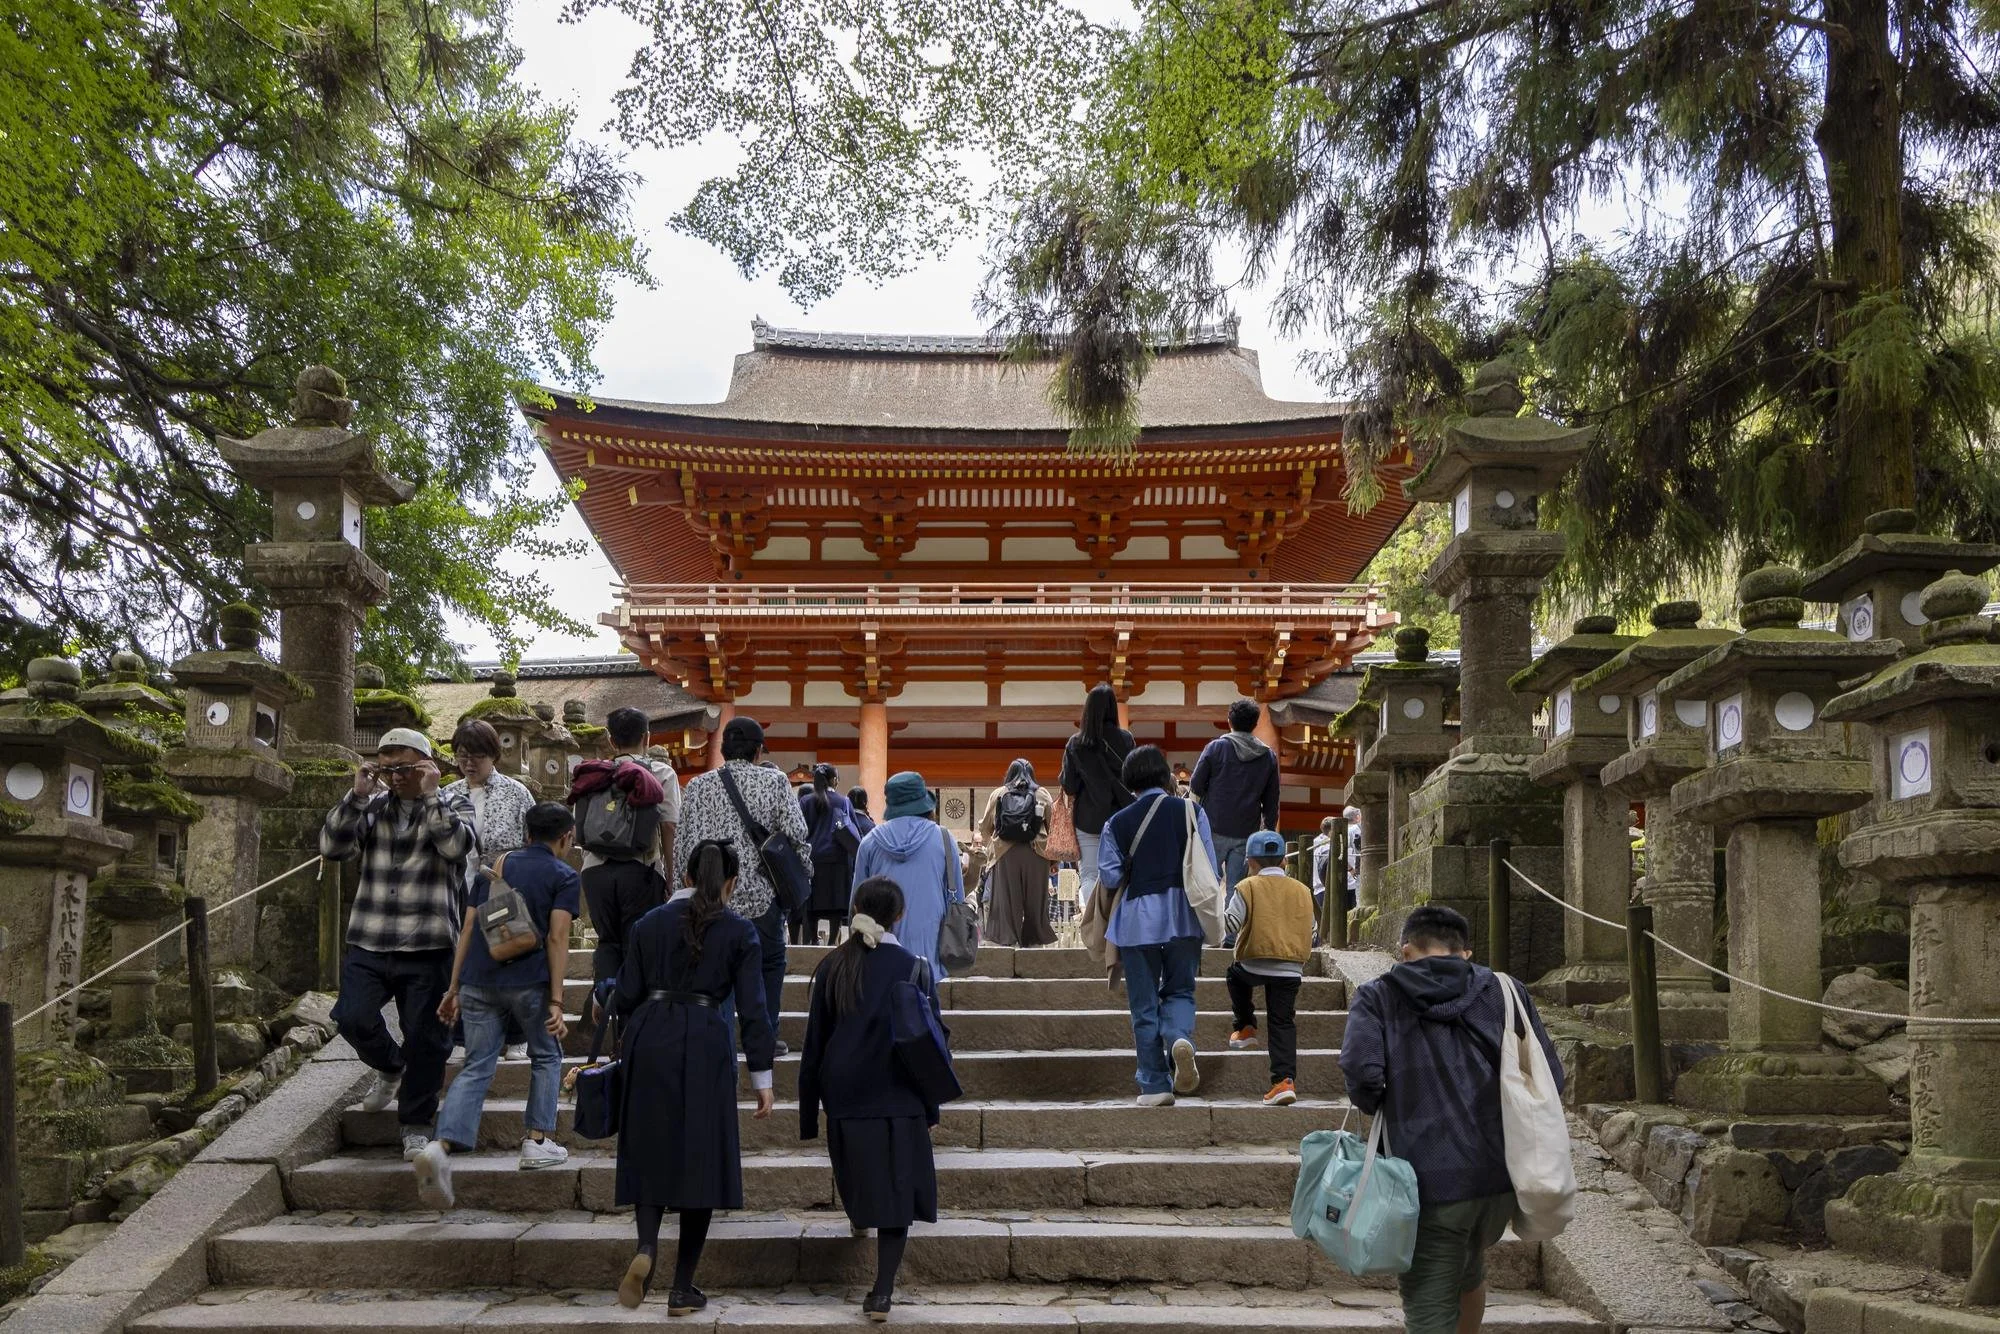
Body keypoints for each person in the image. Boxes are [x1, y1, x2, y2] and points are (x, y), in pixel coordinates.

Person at [1339, 905, 1565, 1334]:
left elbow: (1362, 1074)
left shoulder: (1378, 995)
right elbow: (1550, 1076)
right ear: (1465, 953)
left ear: (1406, 950)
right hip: (1499, 1179)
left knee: (1428, 1308)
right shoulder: (1504, 990)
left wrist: (1396, 1105)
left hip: (1428, 1180)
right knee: (1467, 1270)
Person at [611, 841, 777, 1314]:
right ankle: (683, 1288)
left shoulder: (649, 924)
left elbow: (625, 994)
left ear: (684, 876)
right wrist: (761, 1077)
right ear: (731, 882)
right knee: (700, 1157)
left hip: (649, 1037)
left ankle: (646, 1246)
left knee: (648, 1145)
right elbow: (754, 1010)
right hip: (705, 1039)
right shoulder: (739, 932)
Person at [321, 727, 476, 1162]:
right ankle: (390, 1064)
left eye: (404, 767)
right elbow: (332, 848)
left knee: (428, 1039)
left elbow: (455, 846)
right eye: (387, 768)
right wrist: (355, 794)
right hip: (371, 936)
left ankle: (415, 1124)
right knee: (351, 1016)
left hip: (428, 942)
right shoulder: (371, 808)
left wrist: (430, 797)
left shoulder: (455, 802)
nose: (395, 776)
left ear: (427, 765)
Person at [415, 802, 581, 1206]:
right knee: (545, 1055)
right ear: (566, 839)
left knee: (476, 1064)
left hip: (477, 979)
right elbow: (558, 939)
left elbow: (469, 926)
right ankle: (537, 1141)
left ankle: (441, 1146)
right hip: (529, 981)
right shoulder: (564, 875)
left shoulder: (494, 868)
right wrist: (557, 999)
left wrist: (453, 987)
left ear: (526, 833)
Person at [800, 876, 943, 1320]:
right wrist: (931, 1104)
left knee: (857, 1176)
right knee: (898, 1190)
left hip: (845, 1094)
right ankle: (881, 1292)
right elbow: (932, 1041)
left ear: (855, 906)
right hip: (899, 1092)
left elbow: (814, 1043)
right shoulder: (915, 967)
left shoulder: (832, 966)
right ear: (900, 914)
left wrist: (808, 1113)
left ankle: (861, 1214)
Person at [675, 717, 810, 1052]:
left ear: (722, 749)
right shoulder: (775, 782)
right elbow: (796, 834)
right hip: (762, 895)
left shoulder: (697, 786)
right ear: (757, 751)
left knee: (713, 965)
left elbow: (681, 847)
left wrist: (687, 888)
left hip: (710, 897)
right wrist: (803, 874)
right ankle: (763, 1037)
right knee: (768, 963)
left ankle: (717, 1034)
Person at [1096, 744, 1218, 1107]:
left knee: (1144, 1004)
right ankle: (1180, 1037)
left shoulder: (1116, 823)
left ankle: (1154, 1084)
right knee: (1181, 990)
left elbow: (1110, 875)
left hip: (1136, 921)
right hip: (1185, 915)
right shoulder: (1191, 812)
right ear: (1165, 777)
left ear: (1129, 780)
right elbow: (1207, 865)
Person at [442, 718, 538, 1060]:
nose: (469, 762)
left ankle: (516, 1035)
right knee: (464, 961)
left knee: (509, 955)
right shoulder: (447, 795)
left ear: (493, 756)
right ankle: (462, 1037)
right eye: (463, 755)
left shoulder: (517, 793)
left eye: (478, 755)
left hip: (502, 884)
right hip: (457, 885)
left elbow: (533, 841)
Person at [578, 707, 681, 1018]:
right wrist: (671, 877)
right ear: (647, 738)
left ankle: (603, 1000)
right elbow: (669, 826)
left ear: (611, 740)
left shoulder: (594, 775)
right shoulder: (661, 773)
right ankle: (631, 1024)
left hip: (595, 871)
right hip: (640, 869)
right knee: (639, 944)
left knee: (608, 942)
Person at [1224, 830, 1316, 1107]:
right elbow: (1312, 928)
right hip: (1290, 968)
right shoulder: (1303, 891)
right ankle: (1283, 1081)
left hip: (1253, 961)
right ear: (1285, 862)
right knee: (1282, 1022)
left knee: (1234, 976)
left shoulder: (1247, 887)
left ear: (1250, 861)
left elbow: (1230, 924)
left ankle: (1245, 1025)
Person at [850, 771, 966, 977]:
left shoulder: (869, 842)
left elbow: (856, 905)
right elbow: (956, 900)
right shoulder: (944, 840)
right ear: (925, 805)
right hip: (929, 959)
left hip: (877, 955)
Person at [1188, 698, 1281, 892]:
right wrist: (1269, 829)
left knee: (1207, 884)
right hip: (1246, 832)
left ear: (1229, 721)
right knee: (1237, 888)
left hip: (1213, 826)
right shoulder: (1268, 757)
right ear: (1255, 724)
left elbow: (1196, 785)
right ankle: (1233, 922)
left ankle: (1208, 922)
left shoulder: (1216, 748)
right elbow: (1272, 801)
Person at [1059, 683, 1135, 909]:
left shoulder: (1076, 743)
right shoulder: (1126, 740)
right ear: (1113, 707)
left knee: (1089, 874)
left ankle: (1095, 925)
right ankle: (1115, 922)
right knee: (1119, 872)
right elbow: (1133, 779)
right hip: (1120, 817)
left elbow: (1070, 786)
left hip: (1087, 820)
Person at [977, 758, 1056, 948]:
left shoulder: (999, 793)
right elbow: (1053, 827)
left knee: (1007, 901)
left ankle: (1007, 941)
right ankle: (1034, 941)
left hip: (1005, 853)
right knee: (1036, 900)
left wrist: (993, 847)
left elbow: (985, 827)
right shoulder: (1042, 793)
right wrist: (1053, 860)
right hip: (1036, 853)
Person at [796, 764, 858, 945]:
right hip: (837, 860)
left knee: (811, 906)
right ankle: (832, 943)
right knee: (836, 907)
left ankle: (812, 941)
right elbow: (852, 830)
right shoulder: (843, 801)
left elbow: (799, 831)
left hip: (811, 859)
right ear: (833, 780)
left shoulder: (805, 801)